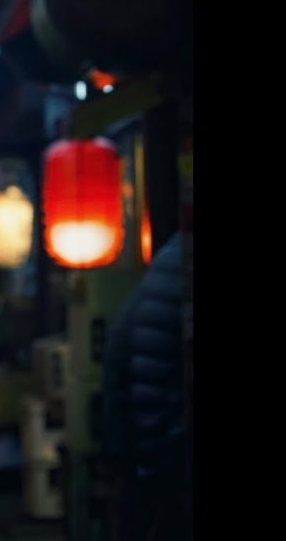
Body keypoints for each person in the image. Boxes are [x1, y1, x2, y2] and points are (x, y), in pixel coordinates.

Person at [103, 232, 188, 541]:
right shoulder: (184, 264)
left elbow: (117, 347)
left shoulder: (169, 257)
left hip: (145, 436)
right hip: (167, 437)